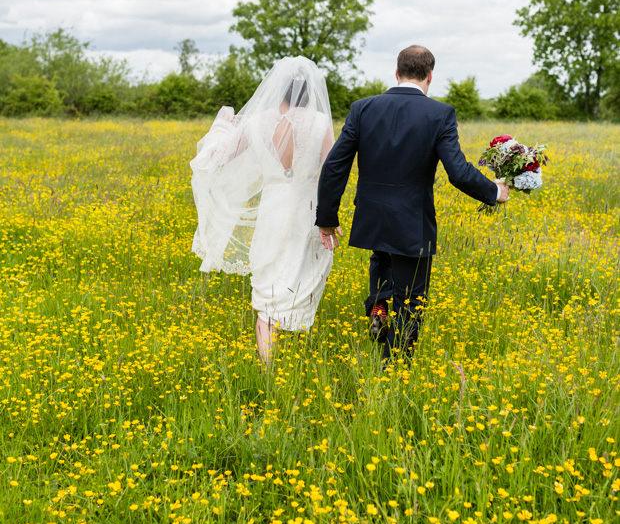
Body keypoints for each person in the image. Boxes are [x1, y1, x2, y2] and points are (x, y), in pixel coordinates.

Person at [315, 44, 509, 361]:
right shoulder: (439, 113)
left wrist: (327, 218)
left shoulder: (362, 108)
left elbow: (335, 165)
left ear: (397, 72)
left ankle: (378, 307)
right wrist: (493, 191)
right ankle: (397, 366)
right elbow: (458, 172)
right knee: (411, 297)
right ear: (430, 76)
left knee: (382, 260)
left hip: (372, 215)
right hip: (411, 221)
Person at [190, 56, 334, 362]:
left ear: (275, 88)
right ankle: (293, 356)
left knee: (268, 292)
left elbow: (217, 158)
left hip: (273, 211)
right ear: (312, 91)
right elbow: (331, 171)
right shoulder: (320, 123)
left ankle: (268, 368)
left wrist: (221, 130)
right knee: (299, 278)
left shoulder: (255, 123)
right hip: (307, 211)